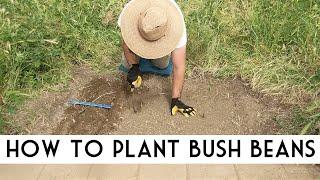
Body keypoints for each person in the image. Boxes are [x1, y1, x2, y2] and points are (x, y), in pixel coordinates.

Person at [118, 0, 196, 117]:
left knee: (163, 65)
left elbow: (179, 66)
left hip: (161, 44)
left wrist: (176, 99)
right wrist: (134, 66)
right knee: (126, 65)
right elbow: (126, 42)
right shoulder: (129, 12)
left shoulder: (177, 25)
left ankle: (147, 60)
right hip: (139, 35)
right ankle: (139, 62)